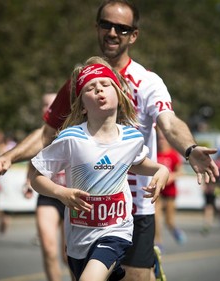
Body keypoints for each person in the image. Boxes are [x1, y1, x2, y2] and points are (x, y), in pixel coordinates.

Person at [0, 1, 219, 280]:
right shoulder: (80, 83)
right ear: (96, 28)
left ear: (133, 35)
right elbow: (47, 132)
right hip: (86, 211)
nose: (112, 32)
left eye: (121, 28)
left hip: (133, 209)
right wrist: (10, 156)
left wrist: (190, 149)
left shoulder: (146, 82)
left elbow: (168, 122)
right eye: (106, 25)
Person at [29, 57, 169, 281]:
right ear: (82, 106)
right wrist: (61, 193)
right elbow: (36, 177)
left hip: (116, 232)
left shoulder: (131, 138)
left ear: (119, 96)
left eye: (105, 85)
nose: (99, 91)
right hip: (78, 240)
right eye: (91, 88)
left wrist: (161, 170)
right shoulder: (71, 139)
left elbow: (139, 163)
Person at [23, 93, 74, 281]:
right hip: (47, 195)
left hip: (71, 196)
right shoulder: (39, 136)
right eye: (45, 105)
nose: (49, 108)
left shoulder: (74, 131)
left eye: (53, 104)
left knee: (68, 255)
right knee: (48, 247)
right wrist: (27, 182)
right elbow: (33, 162)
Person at [154, 127, 186, 251]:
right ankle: (158, 241)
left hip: (170, 191)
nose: (161, 140)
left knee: (169, 220)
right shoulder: (154, 153)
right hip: (158, 190)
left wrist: (171, 176)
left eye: (163, 138)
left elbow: (180, 172)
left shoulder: (173, 155)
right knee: (156, 216)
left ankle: (174, 229)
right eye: (159, 138)